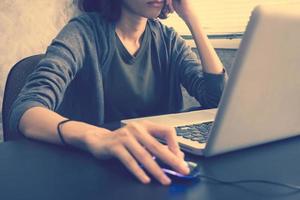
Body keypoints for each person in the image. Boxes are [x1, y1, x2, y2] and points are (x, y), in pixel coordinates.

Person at [8, 0, 226, 185]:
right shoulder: (84, 32)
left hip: (156, 172)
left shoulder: (168, 40)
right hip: (96, 176)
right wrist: (97, 136)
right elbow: (25, 110)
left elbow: (217, 100)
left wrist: (191, 18)